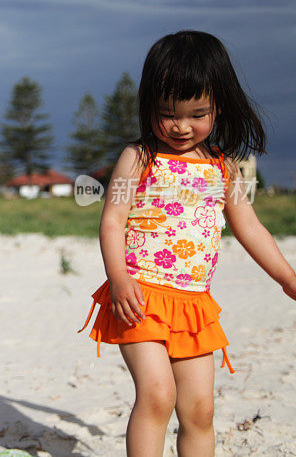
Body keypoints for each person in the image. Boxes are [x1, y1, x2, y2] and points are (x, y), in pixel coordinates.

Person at [78, 30, 296, 456]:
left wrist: (287, 276)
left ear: (219, 107)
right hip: (139, 297)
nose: (181, 127)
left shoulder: (224, 167)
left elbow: (250, 228)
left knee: (200, 410)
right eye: (167, 113)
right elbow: (111, 221)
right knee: (158, 395)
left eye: (197, 114)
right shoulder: (138, 158)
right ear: (149, 106)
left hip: (194, 304)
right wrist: (118, 279)